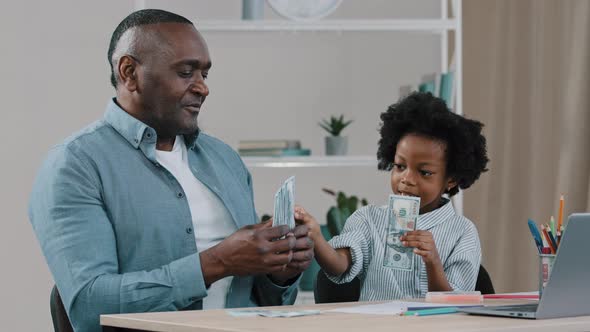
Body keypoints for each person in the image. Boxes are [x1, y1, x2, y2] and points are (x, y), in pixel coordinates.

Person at [29, 9, 313, 332]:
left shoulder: (225, 160)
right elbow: (90, 307)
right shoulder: (75, 165)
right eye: (186, 72)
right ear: (129, 73)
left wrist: (281, 271)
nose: (202, 88)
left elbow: (262, 302)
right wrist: (217, 263)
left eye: (204, 74)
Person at [296, 92, 489, 301]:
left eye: (424, 172)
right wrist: (315, 237)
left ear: (451, 179)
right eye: (400, 166)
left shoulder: (463, 233)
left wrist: (433, 262)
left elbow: (456, 307)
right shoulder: (368, 220)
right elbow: (339, 267)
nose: (406, 179)